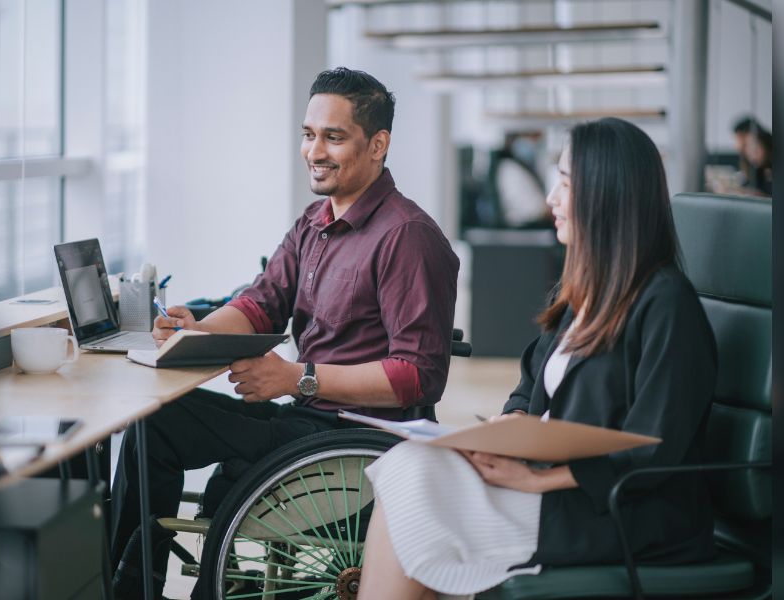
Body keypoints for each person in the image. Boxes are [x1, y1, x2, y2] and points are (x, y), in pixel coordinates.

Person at [108, 67, 460, 599]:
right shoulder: (314, 221)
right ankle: (131, 588)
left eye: (333, 137)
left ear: (377, 145)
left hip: (355, 443)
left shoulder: (406, 237)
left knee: (171, 431)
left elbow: (418, 377)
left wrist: (297, 378)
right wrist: (198, 331)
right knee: (152, 421)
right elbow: (260, 303)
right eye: (308, 134)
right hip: (304, 423)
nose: (314, 151)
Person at [359, 117, 718, 599]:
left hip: (620, 509)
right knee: (411, 463)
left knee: (418, 487)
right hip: (555, 485)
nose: (550, 198)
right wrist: (510, 428)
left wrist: (535, 480)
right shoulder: (581, 297)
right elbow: (531, 385)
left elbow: (653, 448)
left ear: (606, 194)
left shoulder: (666, 304)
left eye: (565, 182)